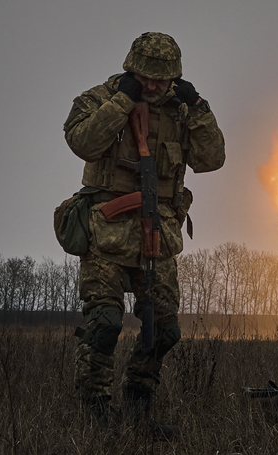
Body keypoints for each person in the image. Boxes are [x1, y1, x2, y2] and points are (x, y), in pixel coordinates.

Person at [64, 32, 225, 426]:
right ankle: (96, 413)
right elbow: (82, 142)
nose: (154, 85)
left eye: (163, 79)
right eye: (147, 77)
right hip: (107, 234)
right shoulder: (101, 98)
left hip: (160, 234)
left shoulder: (183, 110)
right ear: (131, 69)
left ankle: (138, 406)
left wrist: (199, 107)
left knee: (165, 331)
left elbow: (211, 159)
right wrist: (122, 101)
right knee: (104, 325)